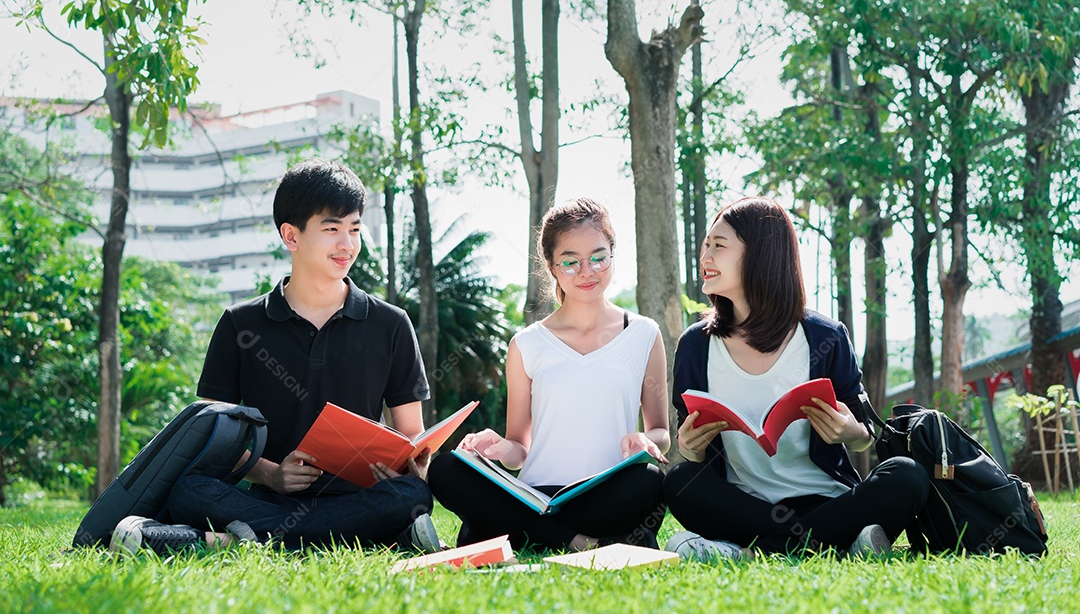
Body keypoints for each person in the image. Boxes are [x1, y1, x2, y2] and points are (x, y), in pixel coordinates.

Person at [109, 160, 441, 556]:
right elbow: (211, 439)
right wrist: (272, 473)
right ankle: (374, 536)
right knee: (189, 488)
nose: (347, 244)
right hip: (268, 499)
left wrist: (411, 464)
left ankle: (229, 541)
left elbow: (411, 434)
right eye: (332, 229)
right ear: (291, 235)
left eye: (354, 229)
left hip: (359, 497)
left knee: (411, 493)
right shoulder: (240, 324)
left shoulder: (391, 324)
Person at [663, 197, 930, 561]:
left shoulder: (825, 337)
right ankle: (840, 547)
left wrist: (849, 431)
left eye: (719, 246)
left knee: (906, 475)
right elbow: (694, 455)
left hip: (826, 503)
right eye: (705, 245)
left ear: (760, 255)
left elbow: (864, 434)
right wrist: (690, 449)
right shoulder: (696, 346)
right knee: (680, 483)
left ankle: (746, 553)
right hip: (745, 508)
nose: (705, 257)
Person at [427, 198, 669, 551]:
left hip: (603, 491)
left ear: (612, 255)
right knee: (446, 469)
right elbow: (520, 449)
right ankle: (581, 542)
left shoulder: (644, 333)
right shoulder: (527, 343)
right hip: (533, 493)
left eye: (598, 257)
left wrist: (647, 441)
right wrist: (498, 447)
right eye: (570, 262)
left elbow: (661, 431)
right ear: (552, 267)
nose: (587, 271)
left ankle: (513, 532)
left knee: (647, 482)